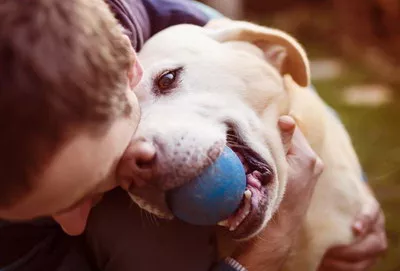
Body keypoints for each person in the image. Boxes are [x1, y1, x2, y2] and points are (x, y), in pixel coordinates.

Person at [0, 0, 386, 270]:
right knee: (141, 240)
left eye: (167, 82)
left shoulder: (182, 24)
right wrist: (259, 258)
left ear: (127, 67)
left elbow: (275, 77)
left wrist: (354, 194)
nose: (74, 224)